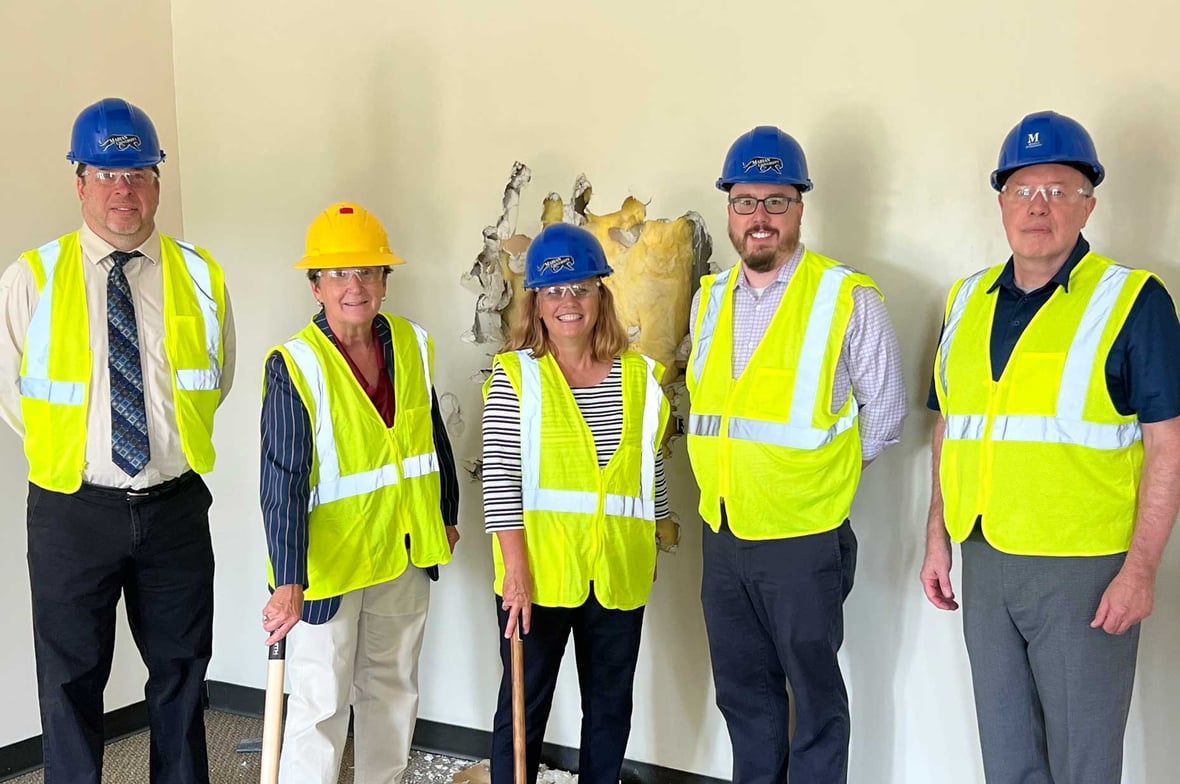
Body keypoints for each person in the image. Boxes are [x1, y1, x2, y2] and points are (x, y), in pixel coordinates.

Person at [920, 110, 1180, 783]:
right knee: (1006, 754)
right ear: (1001, 202)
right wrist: (937, 538)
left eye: (1059, 191)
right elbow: (951, 430)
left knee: (1083, 762)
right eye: (1023, 190)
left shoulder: (1133, 300)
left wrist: (1141, 570)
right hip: (983, 554)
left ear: (1088, 203)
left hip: (1083, 570)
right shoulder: (965, 299)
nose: (1039, 207)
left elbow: (1167, 445)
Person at [0, 97, 235, 784]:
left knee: (182, 674)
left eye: (135, 171)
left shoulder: (202, 276)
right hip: (73, 507)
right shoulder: (30, 280)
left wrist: (161, 447)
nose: (121, 189)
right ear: (79, 183)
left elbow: (214, 379)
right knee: (70, 682)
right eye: (104, 173)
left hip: (174, 507)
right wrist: (83, 453)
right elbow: (14, 399)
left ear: (158, 180)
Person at [686, 126, 906, 783]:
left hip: (802, 540)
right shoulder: (709, 298)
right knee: (744, 696)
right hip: (723, 533)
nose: (760, 218)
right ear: (729, 209)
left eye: (776, 202)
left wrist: (815, 477)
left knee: (814, 703)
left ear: (800, 208)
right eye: (746, 201)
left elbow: (887, 416)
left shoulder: (847, 297)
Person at [259, 202, 460, 784]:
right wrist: (288, 578)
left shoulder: (412, 343)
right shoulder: (295, 364)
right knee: (321, 705)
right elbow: (282, 480)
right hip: (331, 563)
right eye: (340, 274)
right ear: (316, 285)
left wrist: (443, 512)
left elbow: (430, 435)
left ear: (384, 282)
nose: (355, 286)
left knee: (393, 692)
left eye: (367, 272)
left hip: (402, 548)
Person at [481, 222, 672, 784]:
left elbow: (650, 467)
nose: (569, 302)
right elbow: (500, 479)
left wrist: (655, 538)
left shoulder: (640, 377)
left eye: (582, 288)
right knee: (522, 707)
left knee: (610, 709)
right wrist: (515, 569)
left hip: (618, 574)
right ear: (536, 303)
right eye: (555, 291)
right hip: (538, 575)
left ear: (600, 296)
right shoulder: (517, 376)